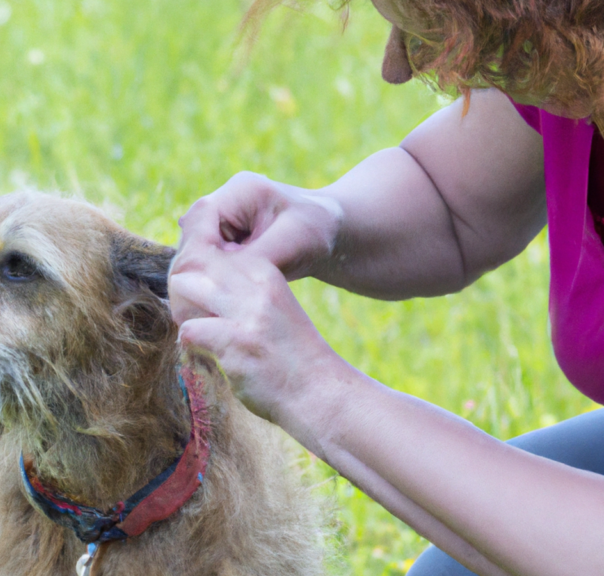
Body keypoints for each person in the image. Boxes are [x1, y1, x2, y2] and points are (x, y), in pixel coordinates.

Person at [168, 1, 604, 575]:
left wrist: (319, 392)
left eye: (446, 24)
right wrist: (325, 218)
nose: (397, 65)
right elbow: (451, 197)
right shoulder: (572, 64)